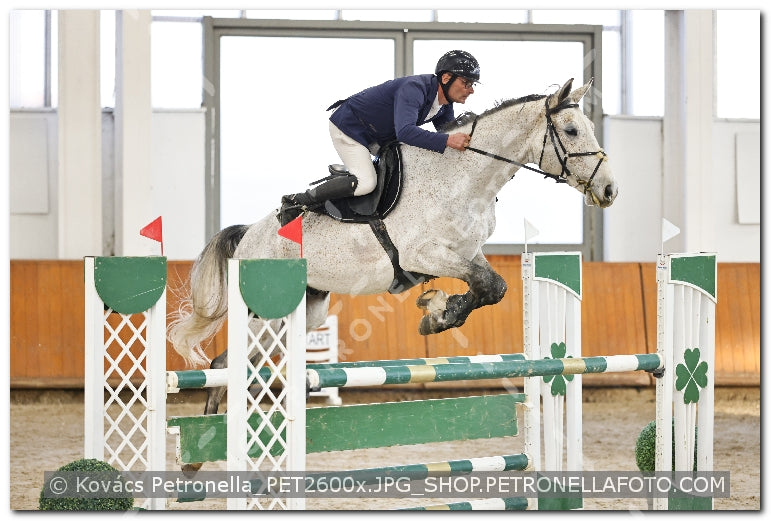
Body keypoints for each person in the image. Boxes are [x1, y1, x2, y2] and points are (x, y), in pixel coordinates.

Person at [278, 50, 481, 225]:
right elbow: (406, 132)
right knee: (366, 183)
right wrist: (447, 141)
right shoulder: (414, 88)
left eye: (472, 84)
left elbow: (450, 136)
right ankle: (298, 201)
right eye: (466, 83)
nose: (471, 90)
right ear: (446, 78)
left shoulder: (445, 105)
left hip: (378, 137)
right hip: (350, 129)